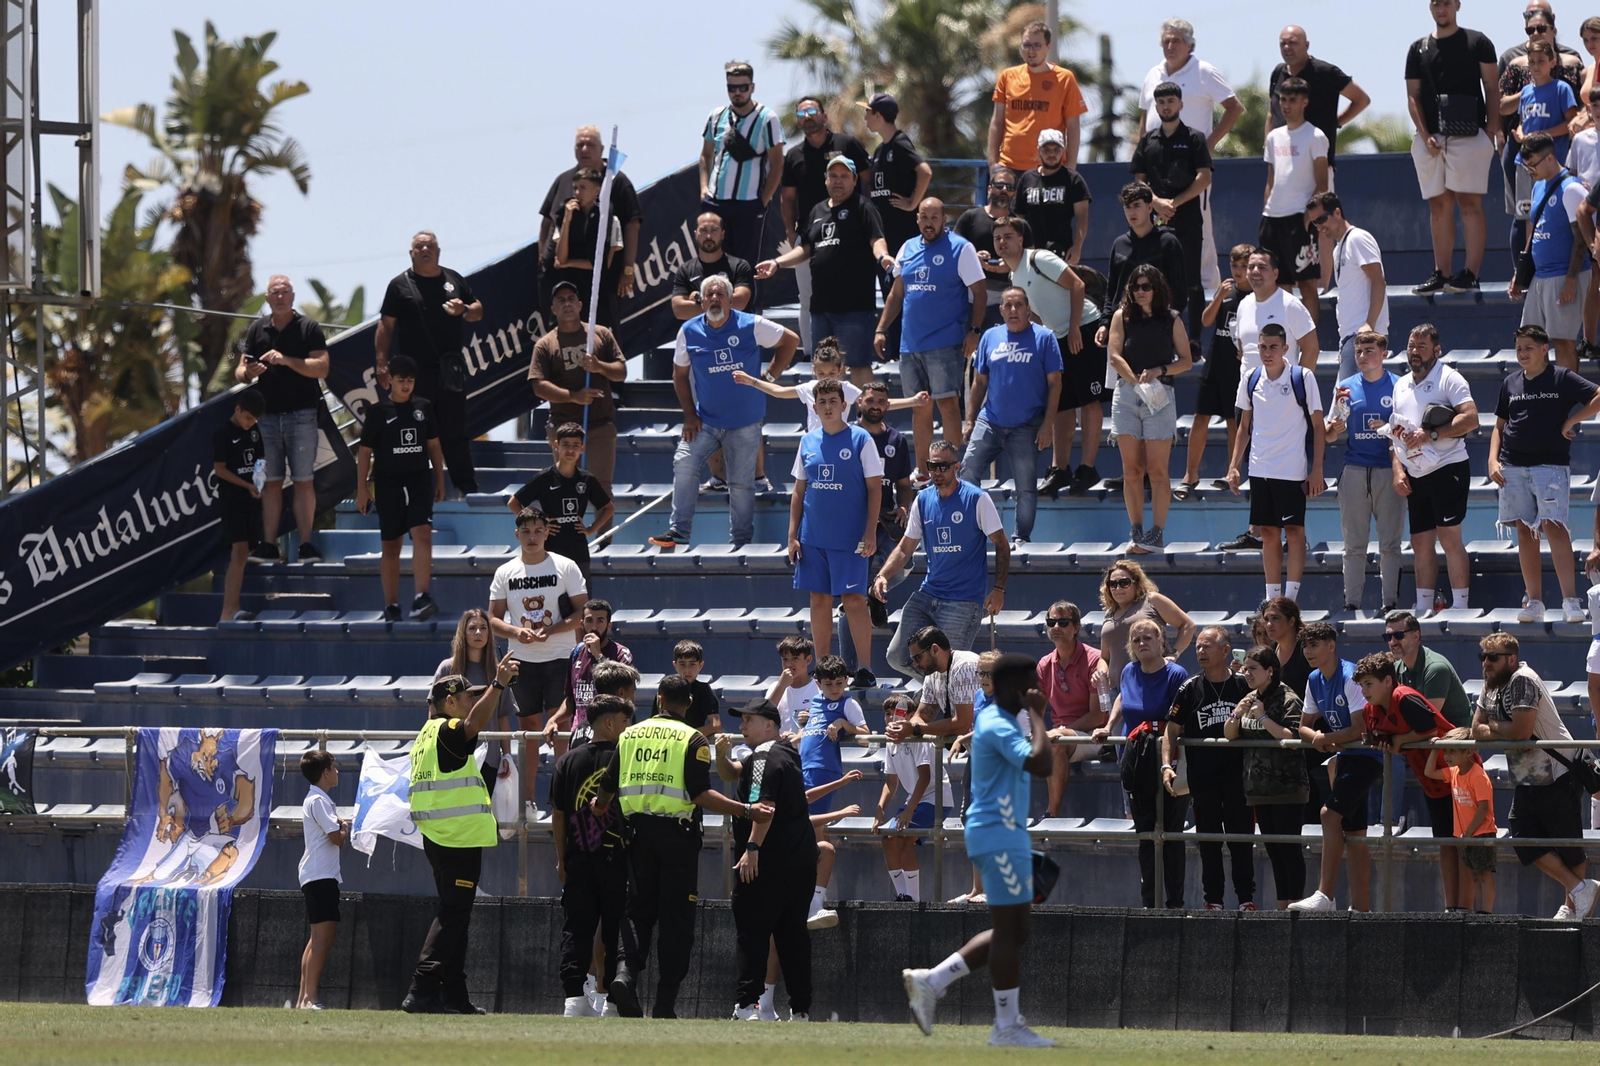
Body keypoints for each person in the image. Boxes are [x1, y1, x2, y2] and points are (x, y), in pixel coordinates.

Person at [596, 674, 774, 1019]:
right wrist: (746, 809)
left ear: (660, 699)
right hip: (677, 841)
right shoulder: (693, 739)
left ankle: (624, 976)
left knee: (636, 913)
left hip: (636, 838)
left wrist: (600, 806)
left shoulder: (629, 734)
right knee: (676, 921)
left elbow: (606, 787)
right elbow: (700, 794)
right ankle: (664, 1004)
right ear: (689, 703)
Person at [902, 652, 1054, 1046]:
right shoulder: (999, 724)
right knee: (1009, 930)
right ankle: (1006, 1026)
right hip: (997, 834)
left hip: (1006, 833)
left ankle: (932, 980)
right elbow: (1041, 763)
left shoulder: (994, 720)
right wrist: (1038, 715)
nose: (1036, 690)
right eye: (1030, 684)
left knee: (1015, 929)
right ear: (1013, 688)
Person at [400, 658, 517, 1015]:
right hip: (456, 837)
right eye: (467, 697)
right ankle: (421, 990)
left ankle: (453, 995)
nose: (472, 702)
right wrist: (498, 685)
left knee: (458, 916)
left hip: (440, 835)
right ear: (450, 702)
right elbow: (472, 724)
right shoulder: (449, 729)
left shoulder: (426, 734)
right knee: (453, 913)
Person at [649, 276, 799, 550]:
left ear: (731, 300)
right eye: (709, 295)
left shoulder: (750, 324)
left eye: (720, 294)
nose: (715, 299)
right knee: (683, 462)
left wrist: (772, 375)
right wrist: (688, 414)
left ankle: (741, 541)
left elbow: (790, 340)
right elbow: (679, 375)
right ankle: (679, 531)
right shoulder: (688, 330)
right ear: (701, 301)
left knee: (741, 484)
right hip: (704, 419)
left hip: (745, 421)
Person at [1470, 632, 1600, 918]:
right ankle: (1579, 891)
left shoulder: (1522, 679)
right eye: (1483, 657)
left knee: (1567, 844)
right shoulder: (1491, 684)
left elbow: (1520, 731)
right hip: (1526, 770)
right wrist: (1500, 727)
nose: (1486, 663)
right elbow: (1475, 727)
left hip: (1556, 770)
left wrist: (1493, 726)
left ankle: (1573, 907)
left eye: (1493, 657)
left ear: (1511, 658)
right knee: (1523, 836)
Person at [1491, 324, 1600, 622]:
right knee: (1526, 532)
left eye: (1528, 347)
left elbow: (1598, 396)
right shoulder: (1510, 383)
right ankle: (1535, 602)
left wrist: (1572, 420)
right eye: (1518, 349)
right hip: (1512, 465)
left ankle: (1570, 601)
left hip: (1550, 466)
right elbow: (1499, 426)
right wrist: (1492, 460)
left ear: (1544, 349)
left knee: (1554, 527)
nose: (1522, 353)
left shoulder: (1561, 377)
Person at [488, 506, 589, 821]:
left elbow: (582, 613)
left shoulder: (566, 566)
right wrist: (517, 631)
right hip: (521, 662)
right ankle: (528, 802)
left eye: (538, 530)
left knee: (559, 728)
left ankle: (563, 801)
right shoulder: (505, 572)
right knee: (529, 731)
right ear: (517, 534)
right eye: (526, 531)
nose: (532, 537)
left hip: (561, 656)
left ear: (547, 532)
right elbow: (492, 619)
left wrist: (553, 630)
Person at [875, 445, 1009, 678]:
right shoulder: (923, 500)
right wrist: (882, 575)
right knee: (897, 657)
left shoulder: (977, 498)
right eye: (932, 466)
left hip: (963, 600)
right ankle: (939, 692)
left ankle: (949, 697)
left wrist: (999, 589)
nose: (937, 471)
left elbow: (1001, 544)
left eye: (944, 466)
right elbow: (906, 547)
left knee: (949, 670)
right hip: (929, 593)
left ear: (957, 467)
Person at [876, 197, 987, 476]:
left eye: (934, 217)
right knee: (919, 406)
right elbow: (897, 293)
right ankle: (924, 470)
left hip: (945, 341)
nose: (929, 222)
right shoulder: (907, 248)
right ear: (917, 219)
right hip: (909, 343)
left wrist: (974, 332)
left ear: (944, 219)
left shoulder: (961, 248)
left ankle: (950, 469)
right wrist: (881, 328)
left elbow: (981, 292)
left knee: (948, 405)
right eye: (924, 217)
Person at [757, 156, 891, 386]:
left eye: (844, 176)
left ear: (854, 180)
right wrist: (777, 263)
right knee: (824, 368)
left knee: (858, 366)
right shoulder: (817, 210)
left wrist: (883, 256)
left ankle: (863, 420)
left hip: (855, 308)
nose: (838, 181)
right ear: (826, 180)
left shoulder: (863, 207)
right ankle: (826, 419)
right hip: (820, 309)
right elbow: (805, 249)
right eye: (833, 176)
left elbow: (876, 239)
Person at [728, 698, 819, 1022]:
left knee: (752, 933)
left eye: (748, 720)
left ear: (769, 725)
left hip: (768, 861)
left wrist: (752, 848)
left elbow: (762, 807)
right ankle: (801, 1009)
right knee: (793, 935)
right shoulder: (787, 753)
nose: (741, 726)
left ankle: (747, 1006)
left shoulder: (764, 756)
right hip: (801, 860)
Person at [1353, 650, 1466, 910]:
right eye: (1361, 686)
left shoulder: (1404, 697)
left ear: (1388, 681)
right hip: (1432, 781)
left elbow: (1429, 730)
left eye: (1369, 684)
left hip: (1459, 774)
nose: (1365, 691)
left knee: (1464, 844)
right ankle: (1452, 908)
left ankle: (1467, 909)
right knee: (1446, 844)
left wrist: (1398, 741)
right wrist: (1378, 740)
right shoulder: (1370, 709)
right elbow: (1374, 735)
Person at [788, 379, 883, 687]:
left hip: (851, 538)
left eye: (833, 400)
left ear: (844, 405)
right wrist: (792, 536)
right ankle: (823, 667)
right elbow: (799, 492)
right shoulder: (807, 442)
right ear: (814, 408)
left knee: (854, 599)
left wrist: (871, 531)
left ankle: (865, 667)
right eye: (822, 401)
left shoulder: (861, 438)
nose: (827, 406)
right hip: (813, 537)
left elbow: (874, 488)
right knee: (818, 600)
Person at [1137, 18, 1244, 290]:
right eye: (1166, 41)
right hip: (1156, 164)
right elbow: (1144, 117)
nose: (1170, 46)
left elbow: (1234, 107)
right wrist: (1140, 150)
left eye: (1176, 41)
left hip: (1191, 166)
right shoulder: (1153, 74)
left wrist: (1208, 145)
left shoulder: (1204, 71)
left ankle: (1209, 291)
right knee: (1153, 228)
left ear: (1190, 45)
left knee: (1201, 230)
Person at [375, 231, 484, 495]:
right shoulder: (399, 285)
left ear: (438, 251)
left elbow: (478, 310)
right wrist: (381, 361)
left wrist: (464, 310)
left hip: (450, 372)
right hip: (412, 376)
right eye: (419, 246)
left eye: (430, 246)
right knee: (414, 431)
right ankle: (417, 485)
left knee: (455, 430)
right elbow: (385, 325)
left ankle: (465, 486)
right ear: (411, 253)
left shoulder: (453, 279)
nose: (425, 249)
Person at [1404, 0, 1499, 296]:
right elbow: (1413, 96)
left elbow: (1492, 86)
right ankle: (1441, 273)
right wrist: (1423, 134)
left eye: (1446, 3)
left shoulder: (1478, 41)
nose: (1440, 8)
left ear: (1457, 5)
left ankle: (1471, 272)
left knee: (1469, 203)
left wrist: (1492, 128)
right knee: (1438, 204)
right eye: (1435, 3)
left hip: (1469, 133)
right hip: (1431, 136)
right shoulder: (1417, 48)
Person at [1227, 324, 1326, 604]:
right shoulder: (1250, 378)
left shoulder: (1302, 377)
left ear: (1285, 349)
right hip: (1260, 469)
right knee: (1268, 533)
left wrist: (1317, 469)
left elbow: (1318, 426)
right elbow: (1244, 426)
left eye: (1273, 347)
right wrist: (1234, 465)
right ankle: (1273, 599)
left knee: (1294, 533)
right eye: (1262, 347)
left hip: (1292, 469)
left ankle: (1290, 599)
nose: (1267, 352)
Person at [1095, 617, 1189, 909]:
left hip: (1167, 760)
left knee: (1171, 834)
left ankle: (1175, 903)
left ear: (1161, 641)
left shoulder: (1176, 673)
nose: (1142, 643)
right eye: (1136, 640)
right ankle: (1149, 903)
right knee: (1145, 834)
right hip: (1135, 762)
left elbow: (1180, 718)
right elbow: (1124, 696)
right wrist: (1109, 725)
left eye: (1148, 638)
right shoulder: (1128, 670)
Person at [234, 274, 329, 562]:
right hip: (266, 419)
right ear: (267, 298)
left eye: (284, 292)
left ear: (293, 295)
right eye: (274, 293)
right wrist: (248, 373)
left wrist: (287, 360)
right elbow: (240, 371)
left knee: (303, 480)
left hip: (302, 415)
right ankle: (268, 545)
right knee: (271, 482)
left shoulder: (308, 327)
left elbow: (322, 367)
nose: (280, 297)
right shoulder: (257, 329)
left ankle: (306, 545)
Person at [1288, 622, 1378, 913]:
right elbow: (1303, 726)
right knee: (1355, 834)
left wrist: (1322, 738)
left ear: (1331, 646)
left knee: (1328, 814)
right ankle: (1361, 909)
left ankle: (1325, 896)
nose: (1308, 652)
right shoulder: (1314, 678)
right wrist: (1315, 738)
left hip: (1368, 757)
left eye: (1314, 645)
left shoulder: (1351, 676)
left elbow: (1358, 729)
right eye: (1305, 646)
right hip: (1345, 757)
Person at [1389, 324, 1479, 613]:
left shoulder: (1450, 378)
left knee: (1449, 537)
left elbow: (1471, 419)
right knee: (1419, 541)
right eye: (1411, 346)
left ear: (1436, 350)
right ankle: (1425, 604)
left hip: (1447, 466)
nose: (1414, 353)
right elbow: (1396, 433)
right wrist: (1397, 470)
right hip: (1414, 471)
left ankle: (1461, 605)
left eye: (1421, 347)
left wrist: (1432, 434)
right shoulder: (1400, 383)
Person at [961, 286, 1062, 545]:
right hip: (990, 420)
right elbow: (979, 382)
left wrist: (1048, 424)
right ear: (1001, 309)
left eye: (1019, 305)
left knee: (1026, 488)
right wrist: (970, 419)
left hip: (1027, 425)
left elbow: (1055, 384)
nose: (1014, 310)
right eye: (1008, 305)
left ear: (1028, 309)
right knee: (967, 472)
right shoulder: (990, 337)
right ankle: (974, 530)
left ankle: (1021, 537)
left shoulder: (1044, 338)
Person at [552, 694, 632, 1018]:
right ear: (610, 722)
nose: (629, 727)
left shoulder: (567, 761)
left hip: (578, 858)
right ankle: (611, 1002)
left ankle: (573, 999)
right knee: (615, 930)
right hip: (617, 858)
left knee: (576, 928)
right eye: (625, 721)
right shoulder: (627, 758)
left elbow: (558, 815)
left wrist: (561, 858)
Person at [1165, 626, 1256, 910]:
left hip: (1239, 780)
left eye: (1207, 646)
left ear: (1226, 651)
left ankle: (1246, 899)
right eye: (1198, 647)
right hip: (1203, 781)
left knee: (1241, 840)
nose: (1200, 651)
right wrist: (1167, 764)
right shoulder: (1190, 688)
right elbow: (1171, 730)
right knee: (1209, 842)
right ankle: (1213, 901)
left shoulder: (1244, 685)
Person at [1107, 264, 1193, 553]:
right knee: (1131, 469)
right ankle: (1136, 530)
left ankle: (1157, 532)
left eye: (1146, 286)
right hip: (1128, 394)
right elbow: (1115, 355)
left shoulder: (1171, 318)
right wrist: (1135, 381)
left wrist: (1159, 370)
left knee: (1157, 470)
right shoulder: (1122, 316)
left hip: (1160, 394)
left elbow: (1186, 360)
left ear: (1156, 289)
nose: (1140, 292)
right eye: (1135, 287)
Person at [355, 355, 445, 622]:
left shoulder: (424, 407)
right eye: (401, 380)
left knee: (423, 533)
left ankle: (421, 598)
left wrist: (440, 479)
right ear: (389, 380)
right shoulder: (378, 412)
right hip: (388, 483)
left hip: (419, 480)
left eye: (410, 381)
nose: (406, 386)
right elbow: (365, 452)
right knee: (391, 544)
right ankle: (392, 605)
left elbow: (434, 445)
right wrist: (361, 488)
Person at [780, 95, 871, 356]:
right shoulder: (794, 155)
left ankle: (855, 355)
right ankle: (812, 356)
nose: (807, 117)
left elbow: (869, 180)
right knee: (807, 297)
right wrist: (790, 230)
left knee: (852, 293)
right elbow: (787, 198)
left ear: (824, 115)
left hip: (851, 233)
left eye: (811, 110)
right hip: (809, 238)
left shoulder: (848, 143)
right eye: (801, 113)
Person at [1325, 331, 1405, 612]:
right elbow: (1330, 435)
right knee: (1353, 544)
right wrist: (1333, 429)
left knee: (1390, 544)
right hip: (1355, 470)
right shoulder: (1345, 387)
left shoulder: (1399, 386)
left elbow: (1407, 430)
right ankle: (1352, 603)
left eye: (1369, 351)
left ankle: (1390, 603)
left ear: (1384, 353)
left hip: (1388, 470)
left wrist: (1386, 426)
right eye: (1358, 352)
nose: (1362, 357)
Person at [1224, 646, 1309, 909]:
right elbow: (1230, 734)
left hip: (1286, 787)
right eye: (1245, 668)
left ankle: (1294, 905)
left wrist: (1262, 716)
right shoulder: (1249, 697)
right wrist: (1237, 713)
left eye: (1253, 669)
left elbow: (1293, 737)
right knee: (1273, 849)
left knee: (1289, 850)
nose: (1247, 673)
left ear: (1270, 671)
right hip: (1258, 788)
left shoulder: (1288, 698)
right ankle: (1282, 906)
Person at [528, 280, 628, 495]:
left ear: (581, 305)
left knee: (601, 488)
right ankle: (570, 530)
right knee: (566, 489)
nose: (567, 304)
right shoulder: (545, 344)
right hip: (563, 428)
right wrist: (574, 397)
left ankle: (603, 531)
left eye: (571, 299)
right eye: (561, 300)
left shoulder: (601, 334)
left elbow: (621, 371)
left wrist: (599, 366)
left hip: (600, 424)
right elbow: (538, 385)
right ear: (553, 309)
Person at [1132, 81, 1212, 336]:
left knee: (1192, 282)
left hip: (1187, 219)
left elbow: (1204, 178)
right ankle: (1161, 337)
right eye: (1161, 102)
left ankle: (1195, 341)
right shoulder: (1147, 141)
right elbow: (1139, 180)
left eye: (1171, 101)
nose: (1166, 107)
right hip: (1153, 222)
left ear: (1181, 104)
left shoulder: (1194, 138)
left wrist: (1173, 204)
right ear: (1156, 106)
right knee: (1156, 280)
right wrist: (1155, 201)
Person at [795, 655, 869, 929]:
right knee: (804, 833)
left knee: (812, 834)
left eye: (839, 683)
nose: (835, 688)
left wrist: (842, 725)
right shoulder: (815, 702)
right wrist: (802, 725)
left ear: (846, 681)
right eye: (829, 684)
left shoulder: (848, 703)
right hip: (802, 769)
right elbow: (810, 731)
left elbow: (864, 736)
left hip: (824, 771)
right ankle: (808, 899)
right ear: (818, 684)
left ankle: (814, 902)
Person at [1508, 132, 1590, 371]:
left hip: (1564, 275)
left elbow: (1582, 239)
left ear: (1550, 158)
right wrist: (1520, 273)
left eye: (1533, 165)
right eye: (1526, 166)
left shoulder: (1572, 189)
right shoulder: (1538, 187)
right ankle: (1541, 398)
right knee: (1530, 340)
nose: (1530, 171)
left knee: (1563, 342)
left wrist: (1571, 280)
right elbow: (1534, 232)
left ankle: (1567, 402)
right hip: (1540, 276)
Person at [539, 125, 643, 309]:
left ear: (602, 149)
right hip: (558, 279)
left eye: (590, 144)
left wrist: (628, 268)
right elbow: (547, 221)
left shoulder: (617, 181)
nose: (584, 149)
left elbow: (632, 225)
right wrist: (543, 256)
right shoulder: (563, 179)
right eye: (580, 145)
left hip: (598, 282)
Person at [1177, 245, 1251, 500]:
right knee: (1200, 417)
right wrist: (1218, 295)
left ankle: (1233, 471)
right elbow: (1206, 321)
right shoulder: (1226, 292)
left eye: (1244, 267)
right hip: (1215, 362)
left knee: (1234, 422)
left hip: (1237, 368)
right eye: (1235, 267)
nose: (1239, 272)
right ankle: (1190, 475)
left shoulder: (1255, 298)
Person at [738, 337, 925, 437]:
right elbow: (778, 392)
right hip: (814, 441)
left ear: (840, 371)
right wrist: (751, 381)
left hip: (841, 439)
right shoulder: (809, 387)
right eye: (821, 374)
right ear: (813, 371)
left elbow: (877, 404)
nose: (825, 379)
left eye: (831, 374)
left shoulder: (847, 389)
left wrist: (913, 401)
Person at [700, 61, 785, 271]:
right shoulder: (716, 116)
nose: (737, 93)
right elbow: (706, 155)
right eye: (732, 88)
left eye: (743, 87)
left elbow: (777, 163)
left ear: (752, 87)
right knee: (712, 264)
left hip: (749, 203)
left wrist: (764, 199)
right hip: (716, 202)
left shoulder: (767, 118)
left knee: (743, 266)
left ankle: (744, 305)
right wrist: (704, 190)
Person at [506, 422, 614, 584]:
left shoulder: (587, 480)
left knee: (582, 601)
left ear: (582, 448)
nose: (570, 450)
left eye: (576, 445)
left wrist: (591, 529)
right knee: (553, 602)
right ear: (556, 445)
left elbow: (609, 508)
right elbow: (513, 503)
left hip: (579, 552)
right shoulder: (545, 477)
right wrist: (540, 525)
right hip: (550, 551)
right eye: (566, 445)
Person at [1259, 78, 1329, 322]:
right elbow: (1271, 179)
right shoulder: (1273, 137)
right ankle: (1286, 343)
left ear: (1305, 102)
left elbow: (1322, 185)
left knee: (1307, 284)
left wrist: (1310, 217)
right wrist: (1265, 210)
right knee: (1280, 286)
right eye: (1283, 100)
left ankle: (1311, 347)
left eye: (1292, 100)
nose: (1286, 105)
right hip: (1272, 219)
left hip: (1299, 218)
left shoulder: (1315, 136)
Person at [875, 693, 955, 902]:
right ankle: (904, 896)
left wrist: (910, 808)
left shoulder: (918, 738)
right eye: (888, 714)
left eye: (898, 713)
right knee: (888, 838)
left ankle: (913, 899)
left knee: (904, 839)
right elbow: (891, 783)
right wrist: (880, 807)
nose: (892, 718)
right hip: (916, 798)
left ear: (910, 716)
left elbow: (925, 777)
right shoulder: (890, 743)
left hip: (937, 797)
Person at [1268, 26, 1372, 179]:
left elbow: (1361, 99)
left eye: (1292, 43)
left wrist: (1336, 122)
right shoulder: (1278, 72)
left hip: (1316, 162)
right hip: (1283, 162)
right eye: (1282, 43)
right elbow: (1272, 112)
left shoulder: (1325, 72)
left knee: (1319, 202)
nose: (1287, 47)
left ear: (1306, 45)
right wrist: (1269, 146)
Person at [1306, 192, 1388, 383]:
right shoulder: (1339, 248)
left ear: (1337, 212)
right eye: (1314, 223)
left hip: (1362, 336)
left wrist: (1369, 325)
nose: (1319, 227)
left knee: (1347, 404)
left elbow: (1378, 280)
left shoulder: (1357, 238)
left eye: (1321, 219)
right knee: (1346, 403)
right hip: (1351, 336)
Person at [856, 381, 917, 633]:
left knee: (906, 562)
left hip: (887, 519)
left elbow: (903, 484)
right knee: (855, 577)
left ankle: (873, 591)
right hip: (855, 520)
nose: (875, 406)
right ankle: (861, 599)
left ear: (888, 405)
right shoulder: (848, 435)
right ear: (859, 401)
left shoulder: (897, 440)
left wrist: (904, 507)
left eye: (881, 402)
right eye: (870, 400)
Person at [989, 19, 1087, 172]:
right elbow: (997, 122)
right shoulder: (1007, 76)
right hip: (1008, 167)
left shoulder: (1064, 78)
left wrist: (1071, 167)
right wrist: (992, 163)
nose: (1031, 51)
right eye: (1026, 45)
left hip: (1048, 167)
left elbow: (1073, 127)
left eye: (1037, 45)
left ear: (1048, 47)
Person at [435, 608, 516, 794]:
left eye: (483, 627)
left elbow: (503, 717)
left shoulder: (498, 672)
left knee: (484, 816)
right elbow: (434, 715)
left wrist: (508, 756)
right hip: (454, 756)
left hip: (490, 758)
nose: (478, 632)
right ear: (463, 632)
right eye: (472, 628)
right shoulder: (447, 668)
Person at [1037, 600, 1105, 819]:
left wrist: (1062, 731)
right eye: (1051, 622)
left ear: (1076, 627)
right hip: (1062, 736)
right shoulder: (1044, 664)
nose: (1056, 627)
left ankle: (1052, 814)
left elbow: (1098, 716)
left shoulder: (1095, 659)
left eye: (1063, 622)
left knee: (1055, 742)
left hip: (1096, 737)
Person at [1098, 560, 1195, 712]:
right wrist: (1100, 673)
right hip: (1117, 691)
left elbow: (1188, 625)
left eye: (1124, 583)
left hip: (1151, 683)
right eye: (1113, 584)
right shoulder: (1109, 613)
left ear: (1136, 583)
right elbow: (1104, 656)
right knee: (1119, 736)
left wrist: (1174, 654)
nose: (1118, 588)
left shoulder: (1152, 600)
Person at [540, 600, 633, 753]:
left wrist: (599, 656)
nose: (594, 627)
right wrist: (553, 719)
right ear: (582, 623)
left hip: (611, 738)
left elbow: (625, 697)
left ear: (609, 625)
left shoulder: (621, 654)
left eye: (600, 621)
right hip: (580, 738)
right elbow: (572, 700)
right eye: (589, 621)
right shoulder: (576, 653)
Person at [1423, 726, 1497, 914]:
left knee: (1483, 875)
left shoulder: (1478, 775)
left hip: (1480, 833)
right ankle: (1479, 914)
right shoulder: (1454, 771)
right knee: (1473, 874)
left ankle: (1485, 914)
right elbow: (1429, 773)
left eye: (1453, 751)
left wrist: (1470, 832)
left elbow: (1483, 808)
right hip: (1466, 835)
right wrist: (1435, 750)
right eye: (1446, 750)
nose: (1447, 755)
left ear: (1469, 751)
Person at [1100, 184, 1187, 338]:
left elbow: (1179, 291)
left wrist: (1165, 323)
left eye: (1137, 206)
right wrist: (1105, 323)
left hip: (1158, 330)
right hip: (1122, 329)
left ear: (1149, 207)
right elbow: (1112, 291)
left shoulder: (1168, 243)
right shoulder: (1119, 245)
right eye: (1127, 207)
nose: (1132, 212)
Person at [542, 167, 624, 328]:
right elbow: (561, 257)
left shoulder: (610, 221)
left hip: (599, 294)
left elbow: (602, 264)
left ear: (596, 190)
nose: (577, 193)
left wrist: (569, 263)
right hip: (572, 290)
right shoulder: (565, 217)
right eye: (575, 188)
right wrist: (567, 220)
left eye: (583, 188)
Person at [296, 749, 346, 1011]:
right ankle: (310, 998)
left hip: (318, 875)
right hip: (319, 876)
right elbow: (336, 838)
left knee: (317, 938)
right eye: (334, 768)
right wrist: (344, 828)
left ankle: (303, 999)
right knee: (323, 937)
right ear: (325, 773)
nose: (337, 772)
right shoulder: (319, 801)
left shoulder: (317, 800)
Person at [212, 389, 265, 623]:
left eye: (254, 420)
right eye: (248, 418)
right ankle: (229, 610)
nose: (251, 423)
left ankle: (234, 608)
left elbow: (260, 460)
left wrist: (259, 480)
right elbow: (220, 469)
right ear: (237, 410)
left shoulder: (254, 431)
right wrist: (246, 485)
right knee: (239, 550)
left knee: (247, 551)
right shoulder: (223, 433)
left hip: (251, 499)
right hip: (232, 500)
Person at [863, 93, 933, 264]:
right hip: (883, 232)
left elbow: (925, 172)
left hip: (902, 232)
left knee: (901, 285)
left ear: (878, 115)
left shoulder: (900, 142)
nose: (865, 118)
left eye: (868, 113)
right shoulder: (880, 149)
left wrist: (912, 203)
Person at [1381, 610, 1473, 733]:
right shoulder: (1397, 668)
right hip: (1429, 741)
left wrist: (1397, 740)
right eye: (1388, 637)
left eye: (1398, 635)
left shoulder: (1436, 668)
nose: (1392, 642)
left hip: (1457, 745)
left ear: (1416, 636)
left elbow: (1427, 722)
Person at [955, 170, 1019, 328]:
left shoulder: (1019, 224)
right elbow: (953, 251)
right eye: (999, 185)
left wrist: (1011, 263)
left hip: (1003, 301)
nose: (1004, 190)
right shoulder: (970, 217)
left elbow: (1028, 260)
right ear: (989, 188)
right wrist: (972, 257)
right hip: (968, 298)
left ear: (1015, 194)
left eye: (1009, 187)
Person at [1016, 129, 1092, 262]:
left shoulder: (1073, 179)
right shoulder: (1027, 179)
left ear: (1063, 151)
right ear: (1039, 150)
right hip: (1030, 252)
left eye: (1056, 149)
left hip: (1061, 252)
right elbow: (1018, 218)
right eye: (1046, 149)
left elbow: (1082, 217)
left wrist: (1077, 247)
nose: (1052, 154)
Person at [670, 211, 755, 321]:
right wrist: (723, 303)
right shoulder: (685, 270)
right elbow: (679, 310)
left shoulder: (739, 266)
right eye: (703, 230)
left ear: (722, 234)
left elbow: (739, 302)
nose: (709, 236)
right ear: (695, 234)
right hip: (702, 335)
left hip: (736, 332)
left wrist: (698, 298)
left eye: (714, 230)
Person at [653, 641, 721, 737]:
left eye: (692, 664)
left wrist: (686, 736)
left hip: (691, 746)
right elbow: (655, 721)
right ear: (675, 665)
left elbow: (715, 725)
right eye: (682, 664)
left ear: (700, 665)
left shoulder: (704, 690)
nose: (687, 670)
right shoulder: (665, 688)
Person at [767, 635, 818, 739]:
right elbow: (763, 716)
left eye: (795, 658)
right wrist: (781, 687)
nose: (789, 664)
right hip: (781, 751)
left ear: (808, 660)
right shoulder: (774, 687)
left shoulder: (819, 688)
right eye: (785, 659)